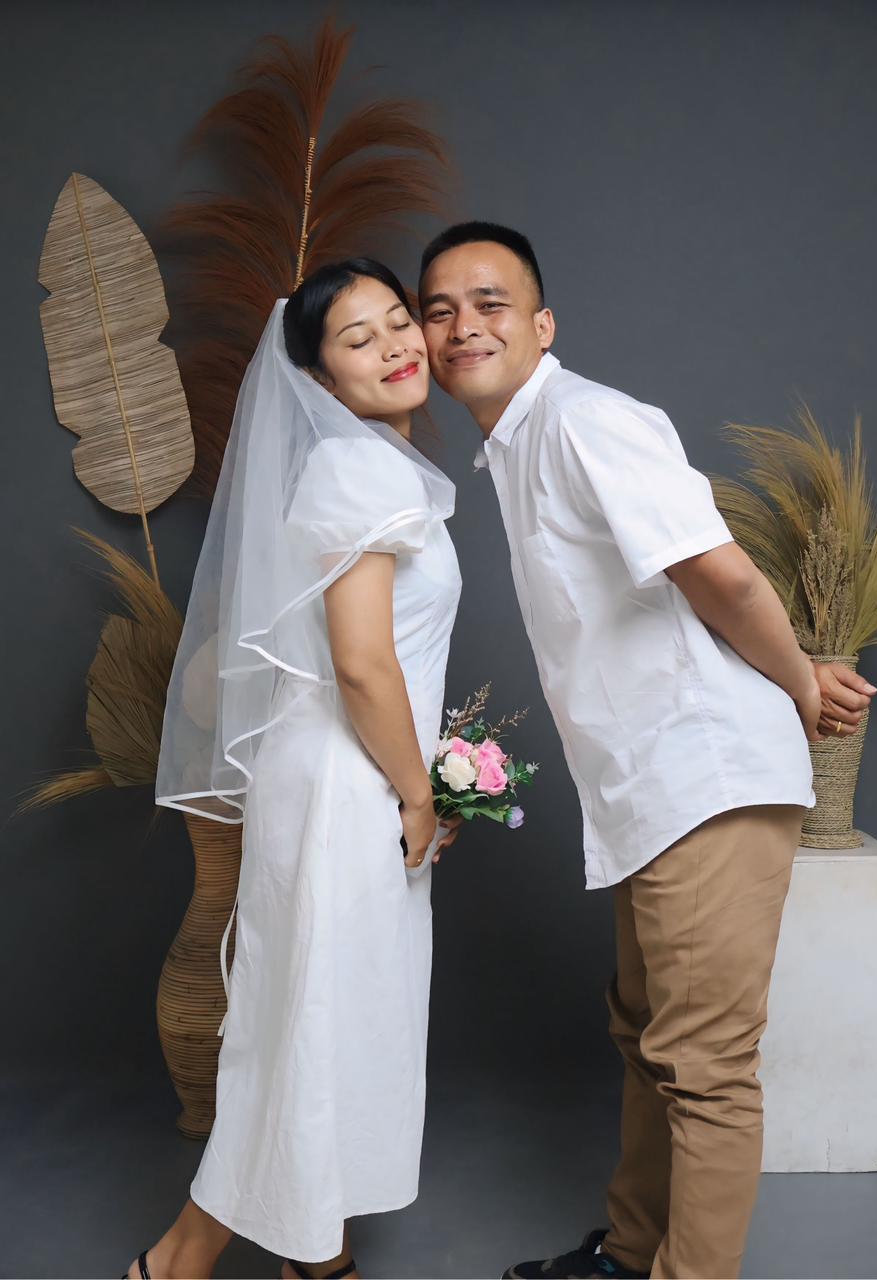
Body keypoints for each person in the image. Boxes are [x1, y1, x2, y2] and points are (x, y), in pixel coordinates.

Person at [419, 222, 877, 1280]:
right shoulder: (518, 443)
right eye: (439, 310)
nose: (461, 325)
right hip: (646, 789)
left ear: (542, 325)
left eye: (488, 303)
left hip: (702, 777)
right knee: (646, 1037)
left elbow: (719, 573)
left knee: (704, 1065)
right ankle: (629, 1256)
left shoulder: (584, 420)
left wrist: (800, 683)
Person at [126, 260, 463, 1280]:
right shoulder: (359, 472)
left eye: (398, 320)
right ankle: (177, 1260)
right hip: (347, 786)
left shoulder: (367, 464)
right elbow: (361, 663)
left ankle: (317, 1256)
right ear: (319, 378)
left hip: (338, 773)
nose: (396, 345)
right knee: (308, 1022)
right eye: (359, 339)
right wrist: (419, 793)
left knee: (327, 1016)